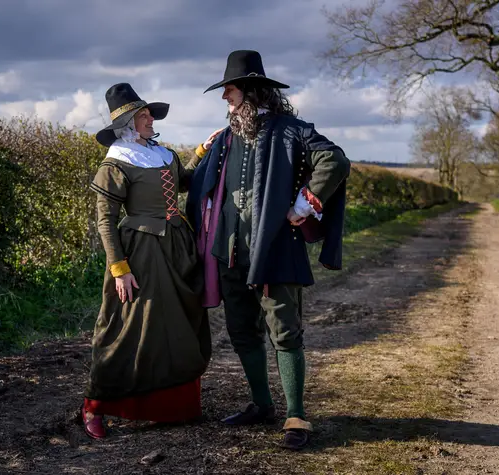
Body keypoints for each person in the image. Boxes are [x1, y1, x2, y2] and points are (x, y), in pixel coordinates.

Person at [186, 50, 350, 450]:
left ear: (251, 91)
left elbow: (335, 159)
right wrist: (197, 154)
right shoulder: (224, 140)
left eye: (230, 90)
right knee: (242, 331)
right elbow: (194, 183)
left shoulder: (292, 129)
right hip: (229, 253)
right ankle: (261, 404)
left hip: (275, 250)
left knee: (285, 332)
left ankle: (296, 413)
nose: (225, 97)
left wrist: (304, 202)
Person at [82, 83, 211, 439]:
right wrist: (119, 268)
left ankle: (172, 406)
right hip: (141, 253)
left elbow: (184, 181)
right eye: (144, 115)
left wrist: (201, 153)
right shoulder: (116, 163)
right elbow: (105, 221)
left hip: (177, 249)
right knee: (126, 330)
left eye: (149, 114)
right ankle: (96, 405)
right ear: (128, 123)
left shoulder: (163, 154)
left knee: (176, 327)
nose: (151, 119)